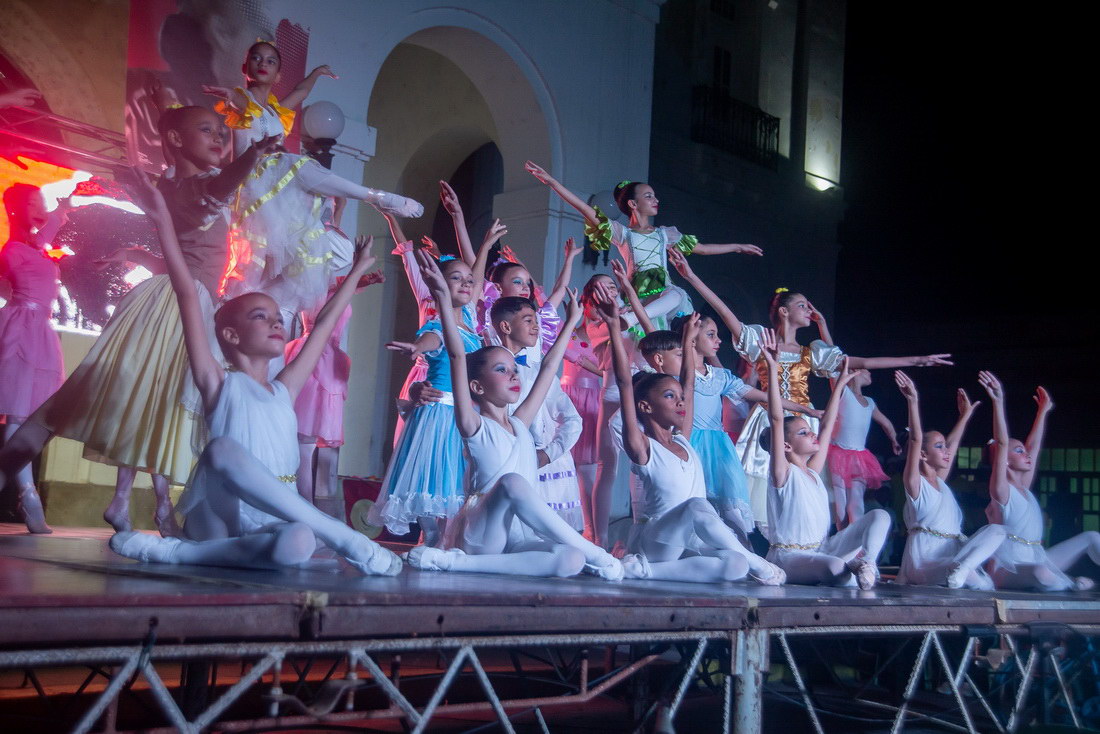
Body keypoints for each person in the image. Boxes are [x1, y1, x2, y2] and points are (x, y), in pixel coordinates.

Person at [0, 106, 278, 534]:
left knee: (129, 405)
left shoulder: (172, 186)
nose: (219, 137)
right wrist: (251, 156)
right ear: (175, 140)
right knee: (154, 404)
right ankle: (199, 518)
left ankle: (167, 513)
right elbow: (220, 188)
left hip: (181, 299)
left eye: (223, 132)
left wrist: (136, 256)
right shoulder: (190, 186)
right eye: (207, 129)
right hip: (173, 307)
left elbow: (181, 251)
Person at [109, 170, 400, 576]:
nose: (276, 323)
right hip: (218, 515)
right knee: (221, 451)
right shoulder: (218, 382)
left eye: (276, 316)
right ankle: (344, 535)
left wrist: (354, 272)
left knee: (299, 539)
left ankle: (180, 554)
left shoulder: (284, 389)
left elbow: (322, 326)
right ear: (230, 334)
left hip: (268, 523)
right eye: (259, 316)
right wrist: (161, 220)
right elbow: (187, 295)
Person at [404, 252, 622, 579]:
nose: (513, 376)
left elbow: (548, 366)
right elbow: (456, 355)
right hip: (481, 531)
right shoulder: (474, 426)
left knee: (570, 559)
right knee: (513, 484)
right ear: (475, 386)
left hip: (518, 534)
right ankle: (599, 555)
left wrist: (572, 320)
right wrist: (441, 297)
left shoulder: (519, 424)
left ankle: (463, 565)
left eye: (512, 371)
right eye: (502, 370)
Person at [208, 40, 422, 316]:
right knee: (249, 269)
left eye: (271, 61)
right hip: (254, 191)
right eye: (257, 58)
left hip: (279, 197)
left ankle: (377, 198)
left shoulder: (275, 112)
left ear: (278, 75)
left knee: (335, 250)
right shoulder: (243, 102)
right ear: (245, 66)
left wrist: (317, 73)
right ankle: (376, 197)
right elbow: (236, 101)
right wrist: (230, 96)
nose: (263, 64)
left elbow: (300, 91)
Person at [711, 285, 951, 531]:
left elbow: (862, 362)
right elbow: (728, 315)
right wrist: (692, 277)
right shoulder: (763, 342)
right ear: (783, 311)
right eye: (802, 305)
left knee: (804, 482)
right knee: (767, 484)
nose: (809, 310)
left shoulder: (810, 353)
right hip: (768, 418)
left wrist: (917, 360)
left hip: (804, 417)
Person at [598, 293, 783, 584]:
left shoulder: (684, 440)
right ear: (645, 406)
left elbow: (689, 382)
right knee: (700, 506)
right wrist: (612, 326)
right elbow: (624, 383)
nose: (681, 403)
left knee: (734, 565)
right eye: (670, 397)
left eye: (682, 398)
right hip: (657, 538)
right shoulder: (644, 447)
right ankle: (755, 560)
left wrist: (687, 344)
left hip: (686, 540)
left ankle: (642, 571)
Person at [524, 161, 762, 327]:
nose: (655, 200)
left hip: (663, 296)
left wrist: (737, 247)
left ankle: (635, 320)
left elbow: (701, 248)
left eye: (655, 196)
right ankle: (634, 318)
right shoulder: (623, 233)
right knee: (665, 314)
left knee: (678, 297)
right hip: (639, 295)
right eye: (648, 196)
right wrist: (552, 183)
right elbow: (585, 208)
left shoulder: (664, 234)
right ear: (633, 204)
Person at [761, 333, 891, 589]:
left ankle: (868, 563)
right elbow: (777, 419)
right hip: (790, 557)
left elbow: (828, 424)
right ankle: (850, 569)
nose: (811, 434)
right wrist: (774, 369)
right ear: (785, 445)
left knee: (879, 516)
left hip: (824, 548)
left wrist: (840, 384)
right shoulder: (783, 474)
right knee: (834, 569)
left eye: (808, 430)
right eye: (803, 433)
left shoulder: (812, 471)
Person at [370, 255, 482, 545]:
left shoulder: (470, 321)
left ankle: (445, 546)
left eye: (469, 279)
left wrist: (483, 243)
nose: (467, 283)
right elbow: (433, 340)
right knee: (439, 488)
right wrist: (416, 347)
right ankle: (431, 543)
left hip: (468, 414)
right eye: (456, 277)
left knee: (460, 488)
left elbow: (477, 273)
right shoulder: (437, 326)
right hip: (442, 414)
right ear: (438, 285)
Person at [980, 372, 1098, 591]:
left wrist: (1042, 412)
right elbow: (1003, 442)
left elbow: (1034, 446)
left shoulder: (1023, 487)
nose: (1026, 454)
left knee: (1092, 537)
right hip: (1008, 568)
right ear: (1003, 460)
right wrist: (998, 401)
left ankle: (1066, 581)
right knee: (1041, 572)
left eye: (1024, 451)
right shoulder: (1001, 491)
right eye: (1018, 450)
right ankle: (1071, 583)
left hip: (1036, 557)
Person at [894, 371, 1003, 588]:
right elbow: (916, 439)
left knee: (998, 530)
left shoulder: (941, 482)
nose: (946, 451)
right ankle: (962, 570)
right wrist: (912, 400)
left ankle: (963, 568)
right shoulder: (916, 484)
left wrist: (964, 417)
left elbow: (951, 446)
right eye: (938, 446)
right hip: (924, 563)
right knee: (978, 583)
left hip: (952, 558)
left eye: (944, 446)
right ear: (923, 455)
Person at [0, 184, 65, 533]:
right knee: (18, 416)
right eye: (34, 201)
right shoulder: (11, 250)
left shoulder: (34, 247)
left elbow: (45, 235)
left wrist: (60, 211)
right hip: (19, 328)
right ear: (16, 209)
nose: (41, 206)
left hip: (40, 330)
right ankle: (28, 497)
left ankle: (26, 497)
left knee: (29, 418)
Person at [489, 296, 584, 529]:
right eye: (529, 320)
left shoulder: (536, 373)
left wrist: (549, 454)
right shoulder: (485, 370)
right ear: (506, 326)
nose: (536, 327)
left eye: (536, 321)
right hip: (502, 463)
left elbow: (572, 419)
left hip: (542, 467)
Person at [827, 369, 900, 530]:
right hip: (838, 453)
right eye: (865, 370)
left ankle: (856, 540)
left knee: (856, 500)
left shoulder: (870, 402)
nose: (870, 373)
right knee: (841, 501)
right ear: (855, 372)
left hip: (859, 456)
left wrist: (894, 439)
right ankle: (842, 537)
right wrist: (829, 343)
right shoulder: (842, 391)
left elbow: (886, 423)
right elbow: (834, 364)